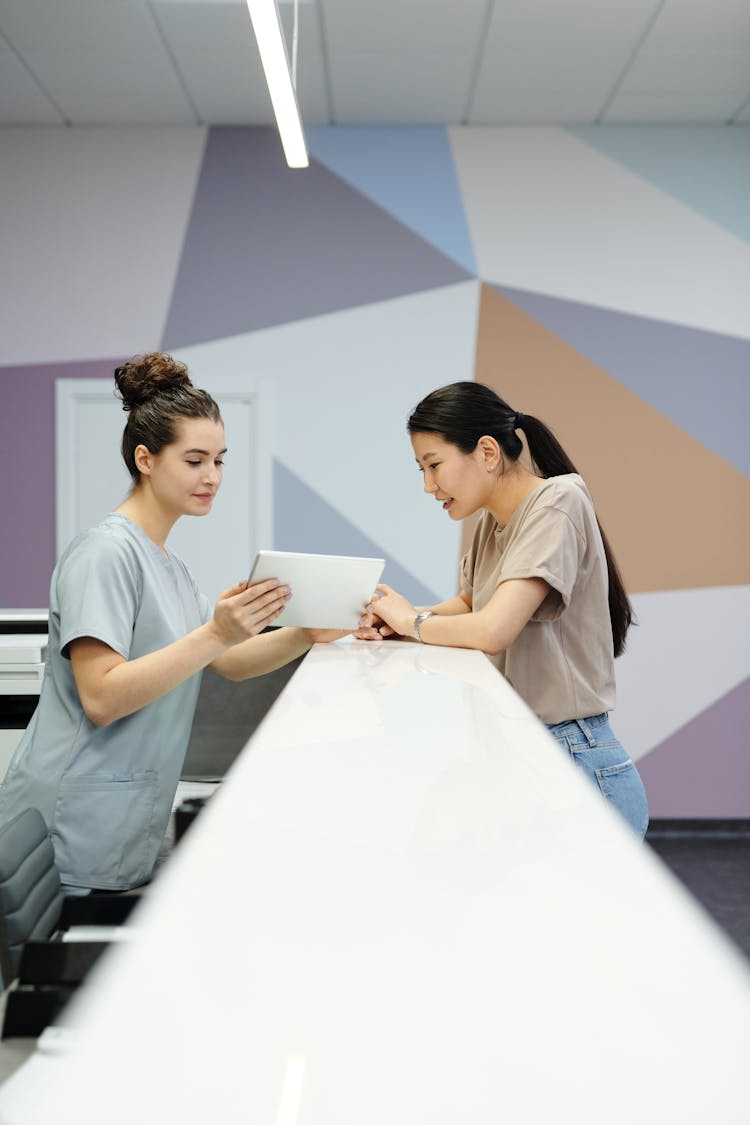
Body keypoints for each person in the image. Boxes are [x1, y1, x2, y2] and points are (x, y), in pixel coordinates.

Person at [0, 353, 339, 892]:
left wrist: (307, 633)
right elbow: (103, 697)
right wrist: (215, 632)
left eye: (221, 461)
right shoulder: (105, 554)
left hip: (120, 816)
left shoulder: (169, 565)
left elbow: (226, 661)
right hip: (68, 820)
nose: (212, 478)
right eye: (195, 460)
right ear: (146, 459)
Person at [358, 381, 648, 838]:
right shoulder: (492, 522)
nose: (428, 485)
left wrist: (411, 622)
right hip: (522, 752)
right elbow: (471, 605)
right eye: (421, 469)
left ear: (488, 452)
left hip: (570, 758)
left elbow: (493, 629)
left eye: (434, 465)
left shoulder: (558, 502)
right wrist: (399, 619)